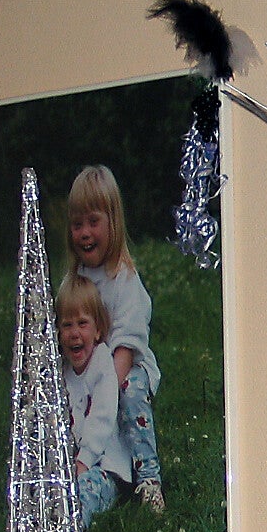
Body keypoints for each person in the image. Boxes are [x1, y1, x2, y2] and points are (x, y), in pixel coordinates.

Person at [67, 165, 165, 512]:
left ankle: (148, 476)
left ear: (113, 223)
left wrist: (102, 391)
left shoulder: (124, 281)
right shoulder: (75, 281)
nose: (84, 233)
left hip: (123, 370)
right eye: (77, 224)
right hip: (87, 376)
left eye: (93, 222)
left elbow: (126, 344)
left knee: (130, 388)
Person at [56, 274, 131, 529]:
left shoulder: (102, 364)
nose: (74, 333)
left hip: (105, 467)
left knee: (85, 492)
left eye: (82, 323)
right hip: (75, 465)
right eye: (67, 325)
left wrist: (83, 461)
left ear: (98, 330)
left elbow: (102, 418)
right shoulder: (63, 371)